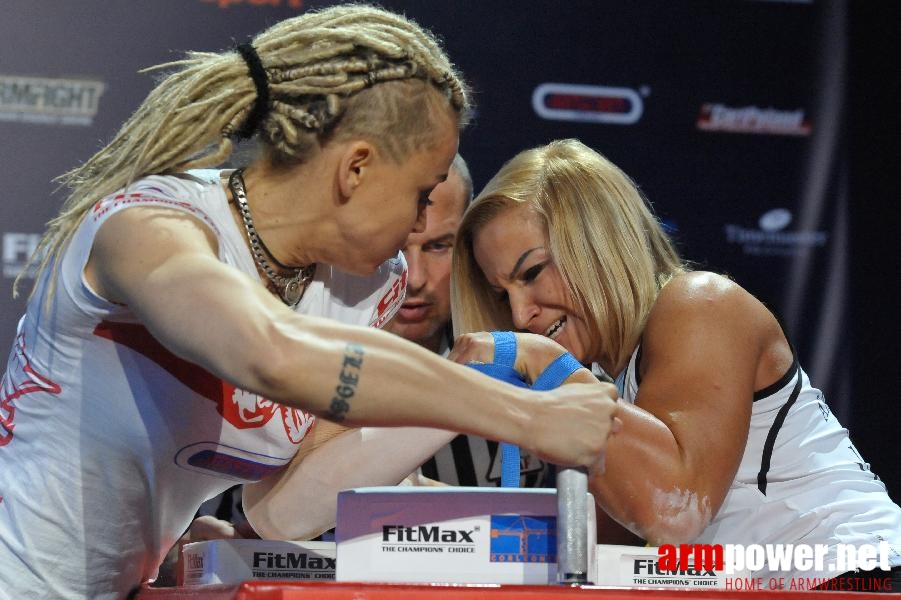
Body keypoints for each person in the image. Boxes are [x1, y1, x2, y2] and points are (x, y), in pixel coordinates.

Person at [0, 7, 620, 597]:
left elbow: (279, 510)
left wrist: (465, 379)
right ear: (356, 169)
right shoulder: (153, 226)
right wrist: (523, 414)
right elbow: (270, 353)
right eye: (422, 192)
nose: (419, 223)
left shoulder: (366, 286)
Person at [449, 138, 901, 588]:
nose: (518, 314)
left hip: (859, 578)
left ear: (596, 242)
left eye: (532, 273)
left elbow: (673, 512)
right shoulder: (609, 382)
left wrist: (547, 365)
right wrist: (418, 509)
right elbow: (591, 545)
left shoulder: (701, 304)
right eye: (500, 293)